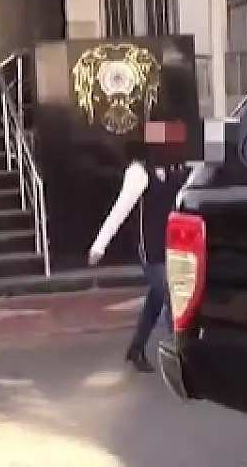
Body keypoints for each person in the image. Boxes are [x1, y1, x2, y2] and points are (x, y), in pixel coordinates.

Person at [89, 141, 190, 372]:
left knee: (156, 299)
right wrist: (99, 246)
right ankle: (180, 358)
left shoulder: (176, 169)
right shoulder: (138, 172)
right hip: (151, 248)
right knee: (171, 297)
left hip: (172, 246)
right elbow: (120, 209)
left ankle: (136, 348)